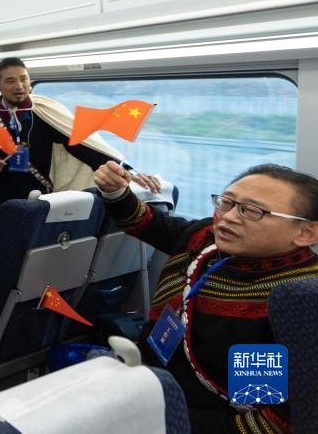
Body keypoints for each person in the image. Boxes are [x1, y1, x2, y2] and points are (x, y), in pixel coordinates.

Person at [93, 161, 318, 433]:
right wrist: (115, 191)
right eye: (227, 202)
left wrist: (158, 418)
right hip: (153, 381)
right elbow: (148, 224)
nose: (228, 218)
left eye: (252, 211)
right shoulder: (206, 240)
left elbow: (261, 420)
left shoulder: (290, 303)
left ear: (306, 232)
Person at [0, 57, 160, 280]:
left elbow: (84, 147)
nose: (19, 86)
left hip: (38, 200)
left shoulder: (44, 112)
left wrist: (128, 171)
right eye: (10, 81)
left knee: (31, 256)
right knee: (4, 254)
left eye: (24, 79)